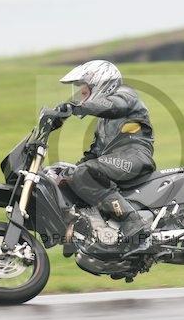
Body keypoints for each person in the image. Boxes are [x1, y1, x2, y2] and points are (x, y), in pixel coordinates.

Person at [57, 60, 155, 246]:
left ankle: (132, 220)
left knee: (85, 172)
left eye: (85, 90)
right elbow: (94, 154)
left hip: (134, 156)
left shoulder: (126, 95)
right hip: (116, 161)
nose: (82, 96)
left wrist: (76, 107)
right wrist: (67, 174)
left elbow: (114, 105)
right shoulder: (103, 123)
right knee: (75, 174)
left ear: (100, 83)